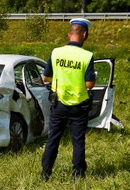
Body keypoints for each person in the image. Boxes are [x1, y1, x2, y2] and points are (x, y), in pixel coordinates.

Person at [41, 18, 96, 181]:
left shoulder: (56, 52)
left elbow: (46, 78)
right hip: (79, 107)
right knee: (78, 141)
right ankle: (78, 175)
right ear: (84, 34)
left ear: (69, 33)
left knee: (53, 139)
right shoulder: (87, 56)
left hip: (58, 104)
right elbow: (89, 84)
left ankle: (45, 173)